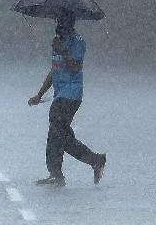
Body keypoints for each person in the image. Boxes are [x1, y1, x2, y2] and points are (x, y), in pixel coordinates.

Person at [27, 11, 105, 187]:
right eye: (57, 22)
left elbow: (75, 67)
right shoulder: (58, 42)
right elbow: (54, 70)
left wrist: (63, 50)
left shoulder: (77, 42)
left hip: (71, 95)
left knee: (57, 134)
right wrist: (39, 94)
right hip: (60, 94)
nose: (58, 25)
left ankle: (61, 172)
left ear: (70, 24)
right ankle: (91, 161)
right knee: (59, 135)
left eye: (62, 22)